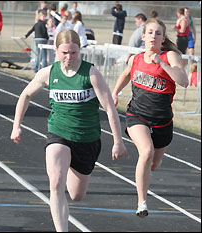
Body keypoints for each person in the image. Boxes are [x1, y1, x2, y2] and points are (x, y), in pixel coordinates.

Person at [11, 29, 127, 231]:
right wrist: (16, 126)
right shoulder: (48, 73)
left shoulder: (91, 74)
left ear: (79, 51)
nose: (69, 57)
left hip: (87, 139)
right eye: (64, 52)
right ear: (56, 51)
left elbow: (109, 108)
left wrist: (118, 140)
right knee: (55, 184)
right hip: (59, 134)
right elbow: (25, 95)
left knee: (76, 195)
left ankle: (75, 169)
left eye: (73, 53)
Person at [112, 18, 189, 218]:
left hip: (162, 120)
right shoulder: (136, 59)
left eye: (158, 33)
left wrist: (162, 63)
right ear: (143, 36)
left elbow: (184, 81)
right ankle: (142, 202)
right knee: (145, 152)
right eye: (150, 32)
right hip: (137, 115)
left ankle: (147, 174)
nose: (153, 36)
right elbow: (127, 74)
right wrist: (115, 92)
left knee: (153, 163)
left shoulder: (169, 55)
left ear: (163, 38)